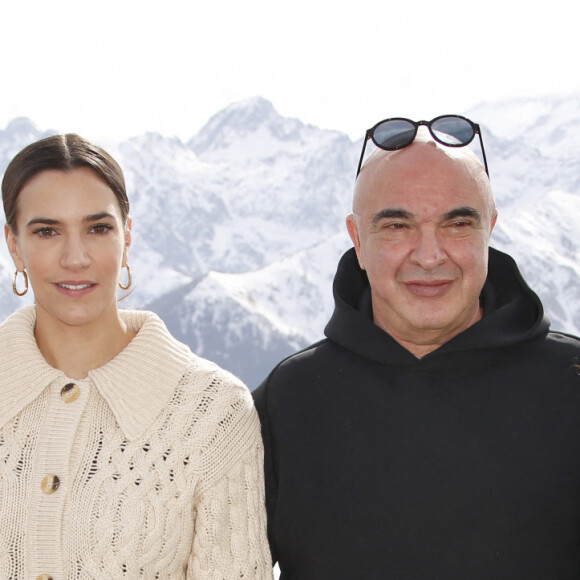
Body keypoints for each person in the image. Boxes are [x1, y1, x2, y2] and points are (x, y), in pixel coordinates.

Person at [253, 116, 580, 579]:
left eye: (458, 224)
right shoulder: (290, 400)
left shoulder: (570, 383)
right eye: (397, 226)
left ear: (489, 230)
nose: (430, 255)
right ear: (358, 241)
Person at [0, 134, 272, 579]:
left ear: (127, 235)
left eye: (98, 228)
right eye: (47, 231)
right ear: (14, 245)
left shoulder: (213, 414)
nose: (76, 257)